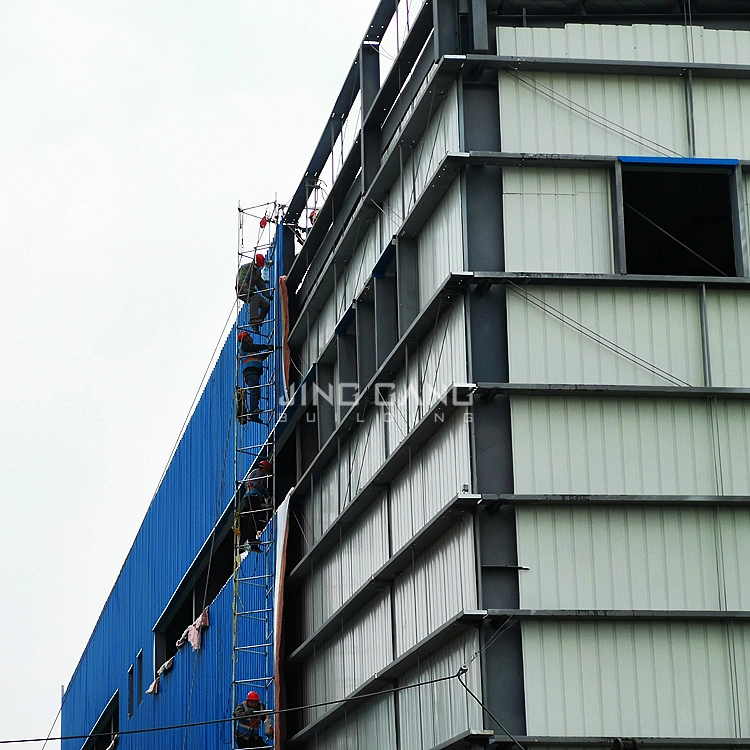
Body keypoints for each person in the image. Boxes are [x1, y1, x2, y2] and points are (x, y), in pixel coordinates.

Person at [238, 331, 273, 423]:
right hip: (250, 370)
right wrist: (266, 346)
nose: (251, 338)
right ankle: (253, 410)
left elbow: (260, 357)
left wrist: (269, 351)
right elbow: (254, 347)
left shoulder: (251, 350)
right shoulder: (244, 346)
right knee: (254, 389)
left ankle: (254, 415)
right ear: (245, 338)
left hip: (254, 371)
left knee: (256, 391)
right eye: (249, 336)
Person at [239, 459, 273, 549]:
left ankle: (250, 540)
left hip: (250, 497)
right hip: (253, 497)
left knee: (253, 518)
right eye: (266, 471)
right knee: (254, 518)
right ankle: (251, 539)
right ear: (264, 469)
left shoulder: (253, 472)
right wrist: (265, 491)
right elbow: (256, 483)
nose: (266, 474)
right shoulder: (259, 473)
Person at [236, 253, 272, 327]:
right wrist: (247, 290)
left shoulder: (257, 272)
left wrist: (267, 295)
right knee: (255, 297)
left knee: (266, 305)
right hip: (242, 290)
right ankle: (253, 319)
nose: (259, 267)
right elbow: (241, 281)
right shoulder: (246, 268)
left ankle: (257, 322)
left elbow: (260, 284)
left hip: (250, 291)